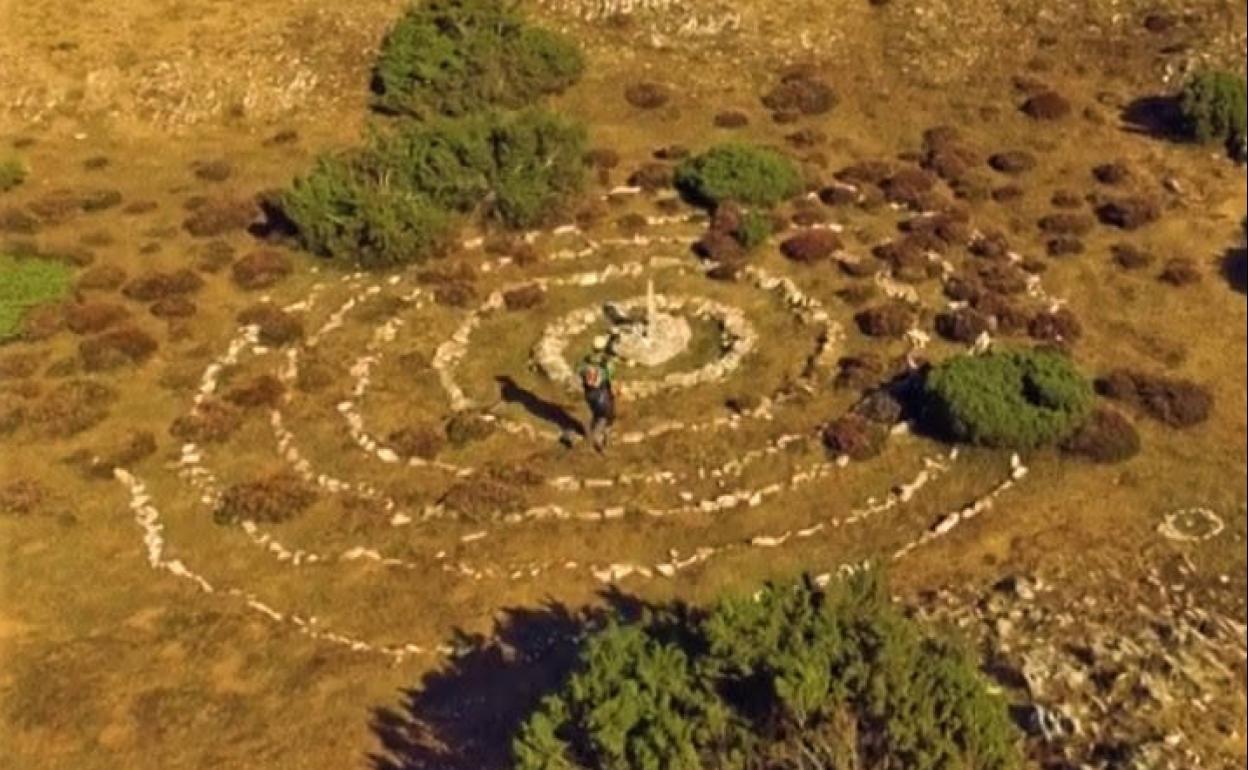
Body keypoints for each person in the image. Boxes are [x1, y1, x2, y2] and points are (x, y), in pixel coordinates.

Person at [577, 335, 617, 452]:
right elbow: (610, 374)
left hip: (589, 394)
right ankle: (596, 437)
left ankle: (599, 436)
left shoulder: (585, 361)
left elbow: (579, 371)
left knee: (596, 413)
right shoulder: (605, 363)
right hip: (601, 393)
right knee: (605, 415)